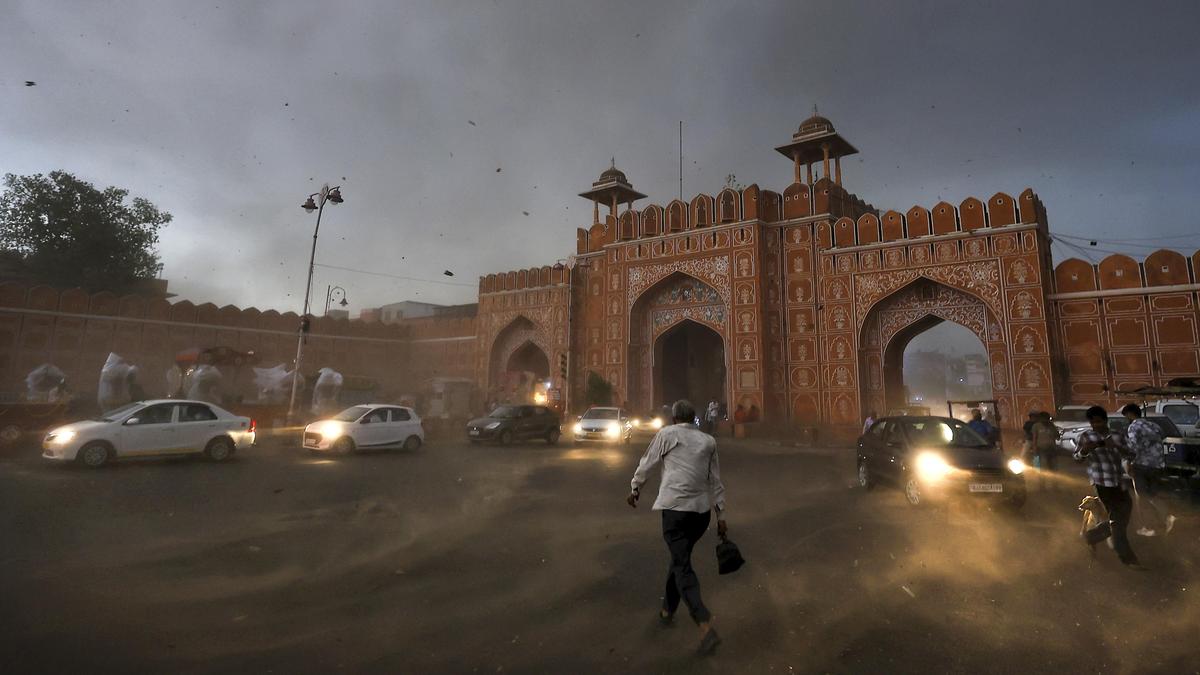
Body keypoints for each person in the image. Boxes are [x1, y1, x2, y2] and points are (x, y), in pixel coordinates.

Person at [627, 399, 727, 656]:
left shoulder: (666, 434)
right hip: (701, 514)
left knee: (682, 565)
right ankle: (667, 611)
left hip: (675, 511)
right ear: (694, 418)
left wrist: (635, 488)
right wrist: (721, 515)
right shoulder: (708, 441)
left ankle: (704, 625)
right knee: (679, 558)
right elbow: (715, 480)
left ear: (673, 419)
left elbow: (648, 462)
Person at [1073, 405, 1141, 568]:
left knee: (1122, 517)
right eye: (1093, 422)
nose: (1096, 425)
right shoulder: (1086, 437)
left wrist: (1115, 447)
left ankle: (1093, 535)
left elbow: (1132, 453)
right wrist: (1085, 451)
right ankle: (1128, 558)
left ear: (1105, 420)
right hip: (1101, 484)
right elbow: (1076, 458)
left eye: (1099, 421)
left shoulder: (1117, 436)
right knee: (1117, 520)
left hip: (1118, 481)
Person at [1122, 403, 1176, 537]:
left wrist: (1127, 462)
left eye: (1126, 416)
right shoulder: (1154, 425)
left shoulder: (1133, 427)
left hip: (1141, 465)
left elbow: (1133, 447)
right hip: (1158, 464)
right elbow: (1162, 436)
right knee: (1154, 493)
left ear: (1130, 414)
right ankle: (1162, 521)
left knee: (1143, 495)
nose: (1126, 419)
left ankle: (1151, 525)